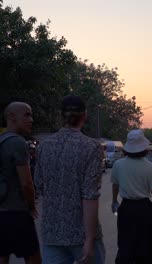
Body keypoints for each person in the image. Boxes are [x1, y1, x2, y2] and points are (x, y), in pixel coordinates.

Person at [34, 95, 105, 264]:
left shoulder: (44, 146)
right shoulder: (92, 147)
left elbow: (39, 185)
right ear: (85, 115)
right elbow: (89, 196)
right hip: (81, 234)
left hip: (52, 233)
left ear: (60, 116)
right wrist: (89, 239)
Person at [0, 102, 41, 264]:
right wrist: (31, 206)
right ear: (11, 117)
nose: (31, 119)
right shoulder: (18, 143)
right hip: (16, 214)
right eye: (26, 115)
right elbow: (27, 183)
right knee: (33, 258)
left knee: (0, 257)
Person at [111, 129, 152, 264]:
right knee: (146, 246)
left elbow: (115, 186)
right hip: (145, 209)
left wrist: (114, 201)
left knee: (125, 244)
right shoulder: (149, 166)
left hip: (126, 208)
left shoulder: (118, 164)